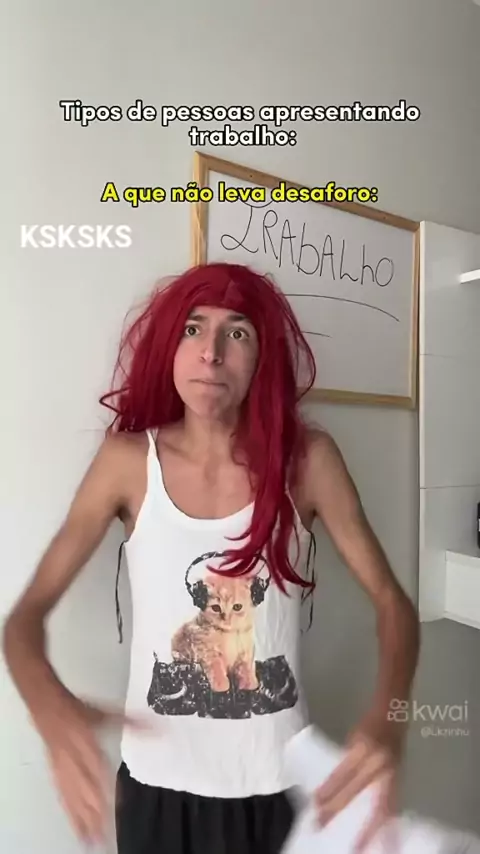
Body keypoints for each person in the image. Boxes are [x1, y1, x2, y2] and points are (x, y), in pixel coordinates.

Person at [3, 262, 420, 854]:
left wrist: (389, 721)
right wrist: (49, 707)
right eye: (192, 329)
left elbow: (393, 605)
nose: (212, 353)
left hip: (280, 791)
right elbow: (23, 621)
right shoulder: (127, 463)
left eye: (237, 332)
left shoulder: (309, 462)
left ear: (262, 355)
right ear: (169, 347)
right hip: (155, 794)